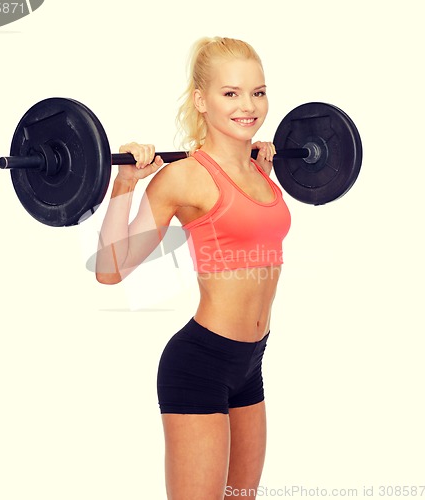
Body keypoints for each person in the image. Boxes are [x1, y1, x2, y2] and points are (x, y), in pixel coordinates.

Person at [95, 36, 291, 500]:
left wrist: (264, 162)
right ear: (201, 101)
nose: (249, 106)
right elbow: (110, 268)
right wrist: (124, 184)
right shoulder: (183, 176)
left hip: (252, 363)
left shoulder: (262, 169)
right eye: (231, 93)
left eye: (258, 92)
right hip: (199, 364)